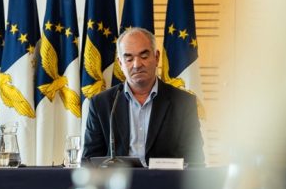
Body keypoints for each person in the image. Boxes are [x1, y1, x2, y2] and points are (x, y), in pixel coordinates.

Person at [82, 27, 204, 165]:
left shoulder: (183, 103)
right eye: (129, 59)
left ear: (156, 57)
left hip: (165, 179)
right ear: (120, 63)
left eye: (144, 56)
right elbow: (89, 161)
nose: (137, 65)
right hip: (118, 179)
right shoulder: (101, 104)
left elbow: (195, 162)